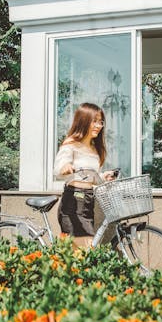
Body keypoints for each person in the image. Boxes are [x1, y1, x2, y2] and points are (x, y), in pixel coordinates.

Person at [53, 102, 116, 248]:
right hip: (73, 201)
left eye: (101, 122)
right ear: (83, 120)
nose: (99, 125)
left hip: (88, 201)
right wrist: (66, 167)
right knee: (83, 250)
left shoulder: (95, 149)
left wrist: (102, 176)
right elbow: (58, 169)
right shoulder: (71, 144)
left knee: (79, 252)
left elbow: (88, 175)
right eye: (94, 121)